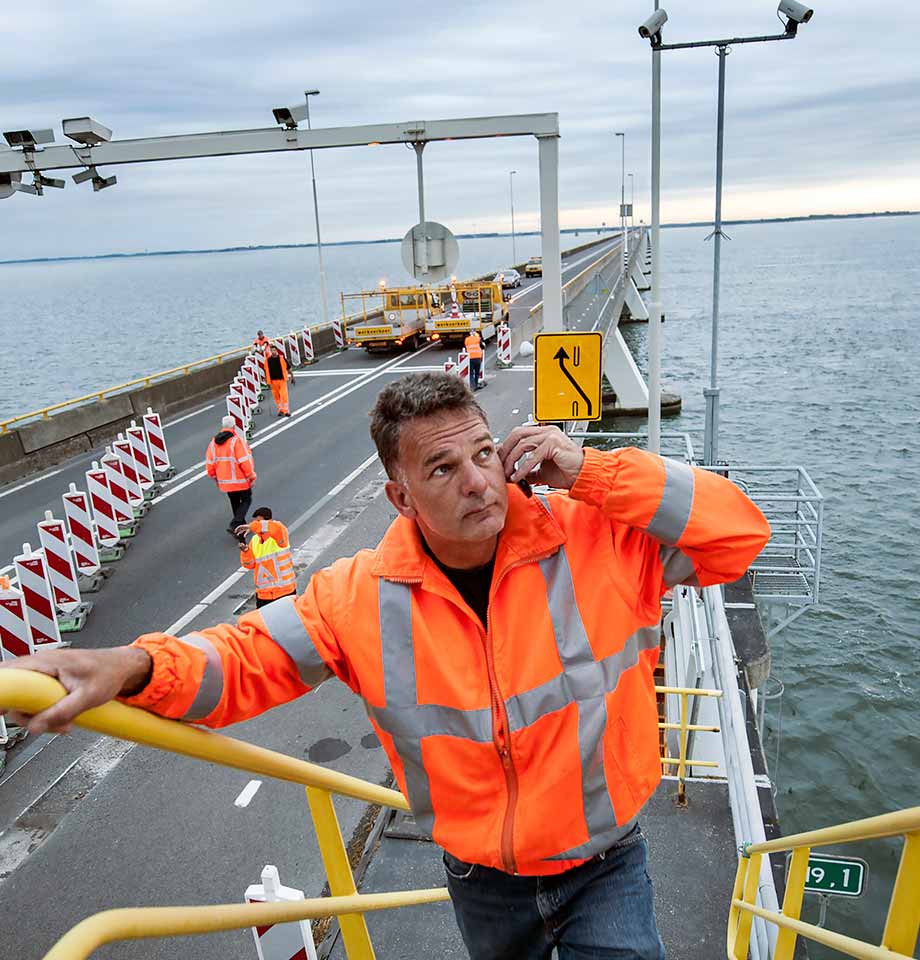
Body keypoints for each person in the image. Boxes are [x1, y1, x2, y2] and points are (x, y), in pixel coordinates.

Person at [1, 372, 770, 960]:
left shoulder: (599, 540)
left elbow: (739, 534)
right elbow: (245, 659)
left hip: (605, 861)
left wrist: (591, 471)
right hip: (484, 884)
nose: (478, 480)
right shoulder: (358, 597)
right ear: (399, 497)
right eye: (442, 470)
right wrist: (132, 666)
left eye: (482, 454)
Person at [205, 415, 256, 534]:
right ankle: (235, 523)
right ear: (234, 426)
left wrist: (214, 476)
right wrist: (251, 475)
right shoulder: (236, 441)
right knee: (246, 500)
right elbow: (244, 460)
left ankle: (240, 527)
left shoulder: (213, 443)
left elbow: (209, 462)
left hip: (225, 482)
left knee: (234, 502)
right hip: (240, 480)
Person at [237, 507, 296, 608]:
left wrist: (251, 526)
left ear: (268, 521)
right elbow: (250, 565)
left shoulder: (279, 531)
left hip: (284, 591)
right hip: (264, 595)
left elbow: (273, 527)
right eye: (255, 521)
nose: (257, 524)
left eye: (259, 521)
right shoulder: (255, 540)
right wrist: (245, 552)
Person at [264, 344, 293, 417]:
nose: (273, 352)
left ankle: (286, 411)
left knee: (284, 395)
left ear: (277, 351)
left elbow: (288, 368)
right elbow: (266, 371)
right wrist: (266, 380)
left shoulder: (282, 358)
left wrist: (292, 377)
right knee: (276, 397)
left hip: (282, 380)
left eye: (274, 350)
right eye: (272, 350)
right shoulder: (267, 360)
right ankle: (280, 410)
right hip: (273, 381)